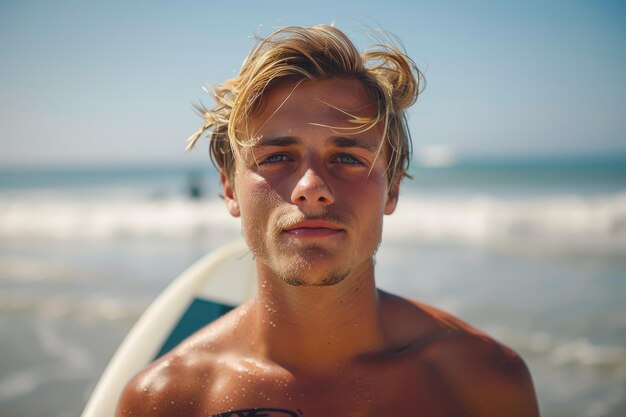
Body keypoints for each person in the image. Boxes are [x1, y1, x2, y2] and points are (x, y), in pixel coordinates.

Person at [116, 25, 539, 417]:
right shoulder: (168, 399)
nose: (312, 187)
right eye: (278, 157)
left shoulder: (482, 382)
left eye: (347, 158)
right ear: (229, 188)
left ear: (391, 187)